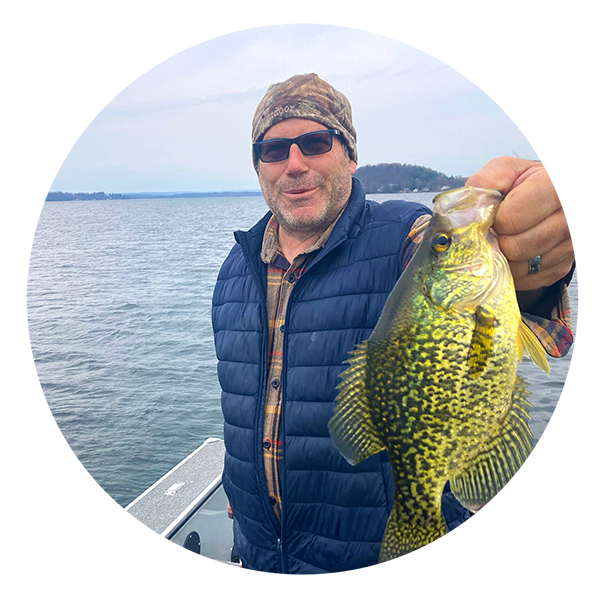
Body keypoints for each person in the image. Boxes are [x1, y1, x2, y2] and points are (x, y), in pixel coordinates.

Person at [211, 73, 578, 574]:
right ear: (258, 166)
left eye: (315, 143)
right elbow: (241, 413)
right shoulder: (235, 270)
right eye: (273, 150)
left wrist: (536, 256)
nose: (294, 163)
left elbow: (511, 300)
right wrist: (241, 500)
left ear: (350, 155)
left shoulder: (405, 236)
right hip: (260, 559)